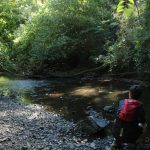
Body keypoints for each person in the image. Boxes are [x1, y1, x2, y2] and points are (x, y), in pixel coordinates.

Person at [112, 85, 147, 149]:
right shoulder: (140, 108)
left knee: (118, 120)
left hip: (116, 132)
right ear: (140, 96)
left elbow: (117, 115)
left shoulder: (121, 102)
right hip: (130, 136)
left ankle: (116, 142)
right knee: (144, 125)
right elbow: (142, 122)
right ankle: (133, 144)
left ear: (129, 93)